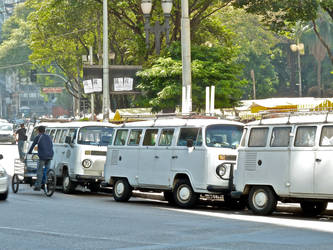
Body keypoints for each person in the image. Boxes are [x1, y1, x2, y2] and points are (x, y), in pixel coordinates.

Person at [27, 126, 54, 191]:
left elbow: (33, 145)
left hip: (42, 156)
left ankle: (38, 186)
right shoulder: (49, 137)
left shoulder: (38, 137)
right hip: (50, 155)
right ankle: (46, 183)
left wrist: (29, 152)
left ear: (38, 131)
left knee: (39, 170)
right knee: (47, 170)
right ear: (44, 131)